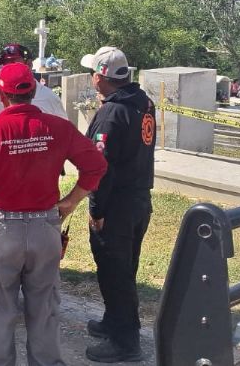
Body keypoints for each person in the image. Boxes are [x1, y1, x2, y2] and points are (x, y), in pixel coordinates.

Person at [0, 63, 108, 366]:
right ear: (33, 92)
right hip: (45, 227)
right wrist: (71, 201)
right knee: (44, 307)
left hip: (1, 230)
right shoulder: (58, 128)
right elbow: (96, 166)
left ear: (1, 96)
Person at [79, 46, 156, 363]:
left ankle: (125, 343)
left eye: (91, 73)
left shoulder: (112, 113)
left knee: (115, 273)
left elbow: (100, 168)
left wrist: (97, 210)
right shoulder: (143, 102)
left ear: (100, 76)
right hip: (139, 200)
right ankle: (114, 321)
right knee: (125, 268)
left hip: (117, 206)